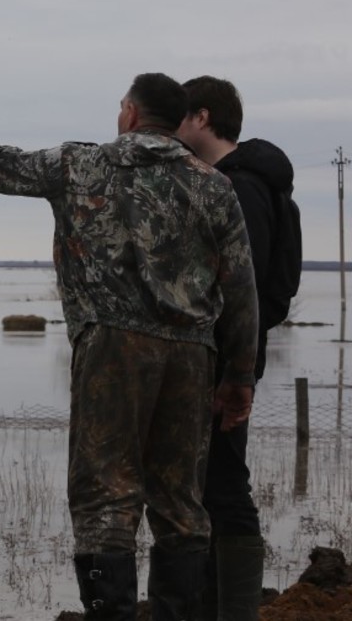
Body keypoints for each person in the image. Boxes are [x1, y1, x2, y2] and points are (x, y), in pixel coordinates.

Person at [0, 73, 259, 621]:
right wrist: (240, 377)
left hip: (111, 349)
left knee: (105, 498)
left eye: (121, 107)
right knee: (181, 504)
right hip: (192, 357)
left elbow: (1, 166)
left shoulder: (81, 164)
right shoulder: (214, 184)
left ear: (130, 113)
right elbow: (241, 288)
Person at [177, 75, 295, 621]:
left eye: (179, 116)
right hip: (224, 360)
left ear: (201, 118)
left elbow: (242, 288)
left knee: (222, 488)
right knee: (206, 489)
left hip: (224, 364)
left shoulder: (240, 187)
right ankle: (210, 606)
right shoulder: (236, 180)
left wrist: (232, 371)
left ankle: (235, 611)